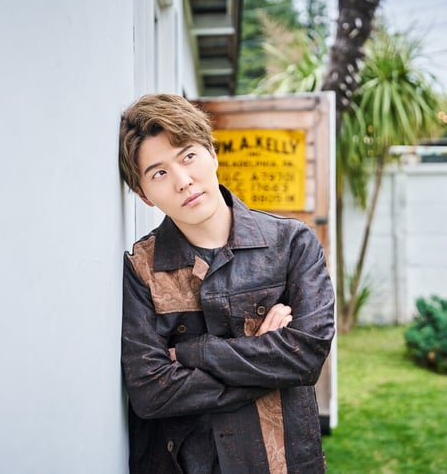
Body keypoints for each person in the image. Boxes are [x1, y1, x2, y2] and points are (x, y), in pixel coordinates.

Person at [118, 93, 336, 473]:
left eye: (188, 156)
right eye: (159, 173)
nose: (183, 181)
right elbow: (152, 392)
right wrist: (266, 359)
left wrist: (193, 353)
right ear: (143, 195)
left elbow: (306, 355)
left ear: (212, 152)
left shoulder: (291, 244)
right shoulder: (141, 269)